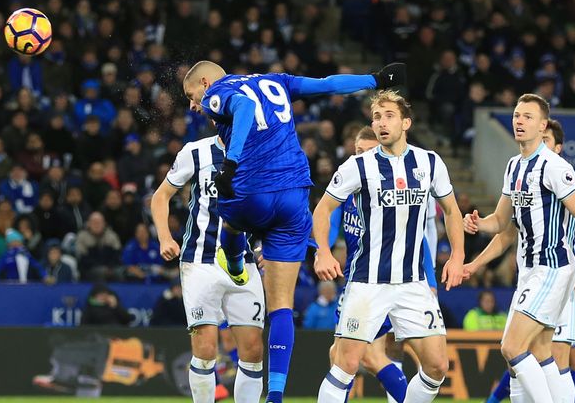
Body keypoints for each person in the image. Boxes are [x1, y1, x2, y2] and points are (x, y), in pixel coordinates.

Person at [182, 59, 406, 403]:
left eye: (191, 94)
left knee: (228, 214)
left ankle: (235, 258)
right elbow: (327, 83)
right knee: (281, 308)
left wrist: (231, 162)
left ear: (206, 82)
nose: (193, 104)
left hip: (253, 192)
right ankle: (275, 394)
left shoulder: (220, 91)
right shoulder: (277, 81)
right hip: (293, 196)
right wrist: (374, 79)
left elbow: (241, 107)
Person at [313, 90, 465, 402]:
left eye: (389, 116)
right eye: (377, 117)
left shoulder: (430, 163)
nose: (382, 122)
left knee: (437, 366)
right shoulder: (358, 166)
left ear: (406, 122)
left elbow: (451, 210)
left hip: (413, 283)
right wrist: (324, 251)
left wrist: (458, 256)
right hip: (367, 282)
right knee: (346, 362)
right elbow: (323, 210)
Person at [463, 94, 575, 402]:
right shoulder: (514, 166)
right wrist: (478, 224)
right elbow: (501, 221)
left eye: (527, 116)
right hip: (529, 271)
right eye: (516, 115)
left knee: (511, 347)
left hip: (553, 267)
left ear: (542, 126)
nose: (519, 121)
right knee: (540, 351)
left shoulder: (554, 166)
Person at [150, 134, 265, 403]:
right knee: (205, 348)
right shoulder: (195, 152)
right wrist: (165, 237)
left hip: (244, 262)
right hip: (200, 262)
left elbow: (267, 209)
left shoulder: (260, 152)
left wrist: (264, 247)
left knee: (253, 350)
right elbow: (160, 196)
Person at [327, 126, 411, 403]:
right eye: (357, 152)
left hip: (376, 284)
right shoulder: (348, 192)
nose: (360, 158)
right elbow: (329, 223)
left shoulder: (383, 196)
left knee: (366, 356)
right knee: (346, 354)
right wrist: (322, 251)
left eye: (367, 152)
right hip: (356, 282)